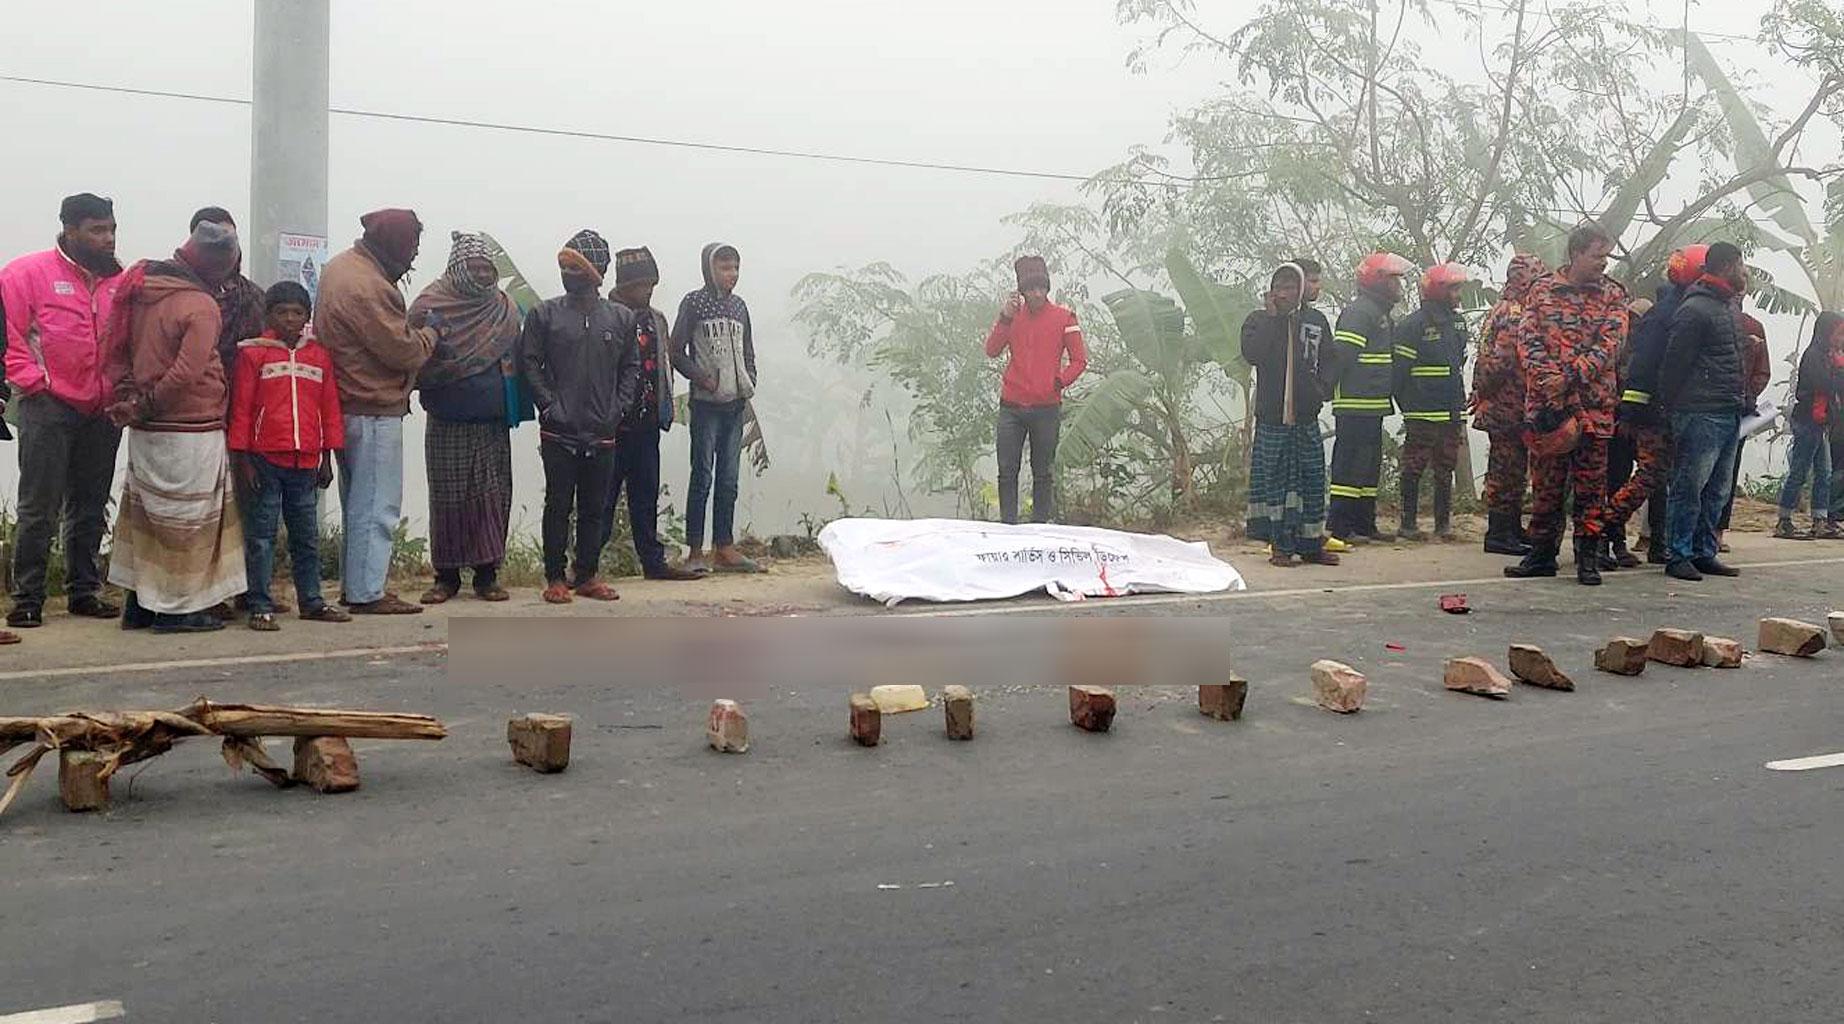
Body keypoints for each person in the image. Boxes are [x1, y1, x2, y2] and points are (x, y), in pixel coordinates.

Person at [101, 221, 246, 633]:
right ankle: (179, 610)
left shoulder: (141, 288)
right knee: (189, 522)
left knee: (148, 516)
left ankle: (141, 605)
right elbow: (187, 372)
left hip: (147, 428)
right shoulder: (199, 305)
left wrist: (134, 403)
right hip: (189, 427)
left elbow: (116, 349)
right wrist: (148, 404)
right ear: (219, 266)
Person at [0, 193, 126, 628]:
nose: (108, 238)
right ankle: (28, 597)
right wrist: (35, 384)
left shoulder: (119, 281)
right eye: (97, 229)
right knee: (40, 505)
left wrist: (118, 391)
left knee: (91, 504)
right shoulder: (24, 274)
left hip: (103, 408)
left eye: (111, 228)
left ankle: (84, 590)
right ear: (70, 231)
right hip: (48, 405)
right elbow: (10, 338)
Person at [314, 208, 435, 615]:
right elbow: (401, 350)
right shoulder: (368, 285)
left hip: (345, 401)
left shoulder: (341, 268)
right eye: (412, 244)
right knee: (377, 504)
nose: (414, 254)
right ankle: (367, 591)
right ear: (396, 242)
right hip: (373, 405)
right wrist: (430, 335)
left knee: (357, 502)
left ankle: (357, 585)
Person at [520, 230, 640, 604]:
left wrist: (617, 407)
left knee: (595, 506)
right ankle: (555, 577)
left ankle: (586, 574)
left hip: (603, 429)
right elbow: (530, 363)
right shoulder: (544, 314)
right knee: (558, 504)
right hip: (559, 431)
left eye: (576, 266)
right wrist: (548, 406)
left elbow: (631, 367)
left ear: (596, 271)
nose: (568, 272)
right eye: (564, 266)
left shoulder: (620, 318)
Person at [1505, 223, 1627, 586]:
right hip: (1549, 411)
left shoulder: (1613, 295)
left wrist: (1570, 377)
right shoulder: (1540, 292)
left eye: (1606, 256)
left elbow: (1610, 346)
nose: (1603, 263)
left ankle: (1587, 556)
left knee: (1591, 486)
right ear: (1576, 254)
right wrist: (1548, 382)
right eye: (1597, 256)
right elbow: (1527, 342)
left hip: (1592, 408)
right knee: (1546, 484)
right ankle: (1541, 554)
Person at [228, 282, 351, 629]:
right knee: (262, 537)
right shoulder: (254, 354)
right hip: (265, 459)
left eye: (297, 312)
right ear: (268, 315)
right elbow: (241, 409)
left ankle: (311, 601)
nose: (289, 319)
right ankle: (260, 605)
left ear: (307, 317)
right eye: (281, 312)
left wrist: (327, 456)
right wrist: (243, 458)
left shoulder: (319, 356)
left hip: (306, 461)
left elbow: (329, 408)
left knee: (306, 537)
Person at [411, 232, 522, 603]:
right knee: (449, 498)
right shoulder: (430, 304)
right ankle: (446, 577)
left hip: (492, 421)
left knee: (491, 497)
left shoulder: (505, 307)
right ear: (457, 268)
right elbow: (412, 353)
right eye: (474, 268)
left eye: (487, 269)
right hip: (447, 418)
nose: (482, 275)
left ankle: (488, 575)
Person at [600, 247, 702, 581]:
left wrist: (665, 409)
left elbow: (663, 366)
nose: (649, 290)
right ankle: (585, 566)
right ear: (626, 285)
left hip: (646, 424)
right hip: (612, 425)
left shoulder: (656, 318)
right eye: (643, 284)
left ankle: (653, 563)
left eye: (652, 284)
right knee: (603, 499)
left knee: (645, 496)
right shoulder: (606, 314)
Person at [1657, 241, 1749, 581]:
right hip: (1700, 411)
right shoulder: (1694, 309)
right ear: (1726, 266)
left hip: (1728, 409)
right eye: (1741, 265)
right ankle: (1678, 553)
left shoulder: (1728, 307)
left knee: (1718, 491)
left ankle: (1703, 551)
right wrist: (1670, 408)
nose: (1745, 272)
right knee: (1689, 486)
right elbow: (1674, 363)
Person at [674, 242, 769, 571]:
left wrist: (749, 379)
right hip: (705, 405)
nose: (732, 274)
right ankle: (695, 550)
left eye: (735, 268)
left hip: (735, 404)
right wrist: (703, 378)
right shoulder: (694, 303)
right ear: (709, 269)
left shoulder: (740, 307)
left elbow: (748, 349)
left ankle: (724, 547)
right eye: (725, 268)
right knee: (702, 475)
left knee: (729, 478)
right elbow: (676, 352)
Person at [1241, 261, 1337, 567]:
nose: (1284, 293)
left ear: (1300, 291)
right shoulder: (1258, 320)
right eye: (1279, 287)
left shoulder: (1316, 321)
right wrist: (1273, 319)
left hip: (1306, 417)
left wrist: (1321, 389)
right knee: (1278, 484)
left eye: (1291, 287)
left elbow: (1329, 360)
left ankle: (1311, 544)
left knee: (1312, 480)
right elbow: (1252, 354)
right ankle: (1280, 547)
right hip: (1274, 418)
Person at [1325, 252, 1413, 545]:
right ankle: (1340, 525)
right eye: (1392, 280)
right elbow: (1342, 357)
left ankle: (1364, 523)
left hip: (1373, 404)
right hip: (1355, 404)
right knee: (1349, 465)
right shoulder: (1360, 313)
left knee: (1368, 464)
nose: (1398, 285)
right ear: (1376, 281)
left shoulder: (1379, 312)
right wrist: (1325, 389)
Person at [1470, 255, 1547, 556]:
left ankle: (1511, 528)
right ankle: (1500, 532)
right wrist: (1484, 391)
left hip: (1509, 404)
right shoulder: (1516, 314)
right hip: (1508, 405)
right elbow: (1500, 361)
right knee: (1507, 471)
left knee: (1512, 470)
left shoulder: (1504, 308)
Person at [1393, 262, 1470, 542]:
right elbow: (1399, 371)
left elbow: (1458, 360)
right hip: (1421, 410)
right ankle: (1408, 523)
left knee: (1445, 466)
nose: (1458, 294)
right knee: (1413, 466)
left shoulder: (1458, 322)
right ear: (1437, 290)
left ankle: (1443, 524)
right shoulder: (1411, 326)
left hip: (1450, 409)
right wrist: (1408, 405)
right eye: (1453, 288)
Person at [1775, 311, 1841, 539]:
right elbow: (1824, 384)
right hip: (1808, 419)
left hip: (1822, 422)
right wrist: (1839, 370)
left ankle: (1820, 520)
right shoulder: (1814, 355)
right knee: (1800, 470)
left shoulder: (1827, 355)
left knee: (1825, 472)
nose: (1840, 337)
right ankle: (1784, 520)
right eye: (1837, 332)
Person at [1715, 309, 1771, 551]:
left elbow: (1762, 372)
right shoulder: (1708, 319)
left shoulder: (1753, 326)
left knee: (1727, 473)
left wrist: (1748, 395)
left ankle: (1717, 531)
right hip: (1707, 407)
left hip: (1740, 411)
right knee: (1696, 473)